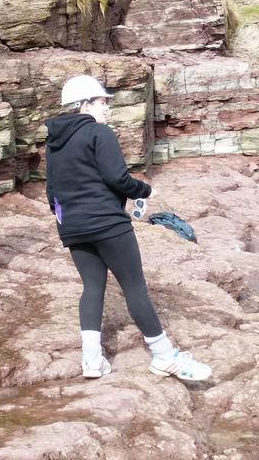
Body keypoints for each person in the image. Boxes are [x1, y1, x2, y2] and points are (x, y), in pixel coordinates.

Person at [45, 74, 212, 381]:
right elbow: (116, 177)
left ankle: (92, 361)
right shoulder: (99, 132)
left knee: (92, 288)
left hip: (73, 226)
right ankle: (163, 356)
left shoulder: (54, 142)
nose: (106, 107)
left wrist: (68, 221)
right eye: (101, 101)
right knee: (135, 288)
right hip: (108, 224)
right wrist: (144, 191)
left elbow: (51, 191)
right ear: (83, 104)